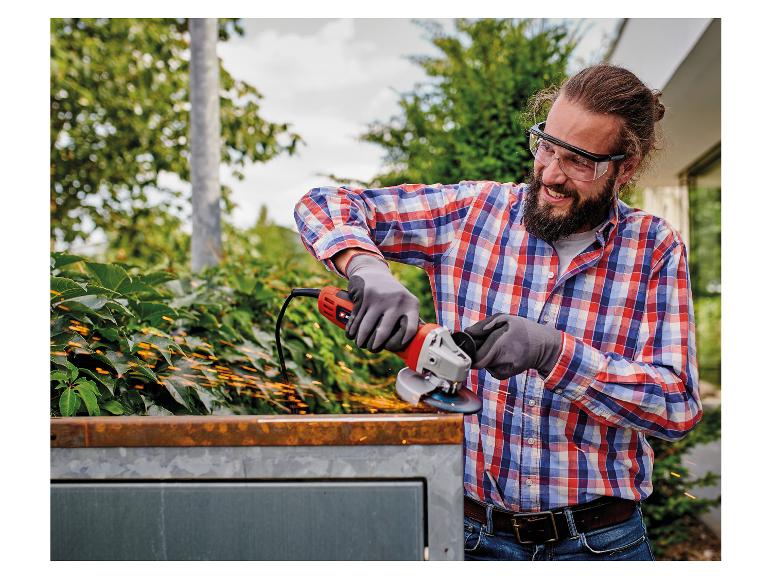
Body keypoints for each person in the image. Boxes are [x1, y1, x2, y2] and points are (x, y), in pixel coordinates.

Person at [293, 64, 701, 561]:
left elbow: (676, 406)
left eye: (579, 161)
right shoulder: (472, 213)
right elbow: (322, 203)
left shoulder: (653, 248)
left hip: (602, 543)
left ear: (625, 167)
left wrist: (554, 354)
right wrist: (366, 265)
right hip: (470, 536)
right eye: (547, 146)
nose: (551, 174)